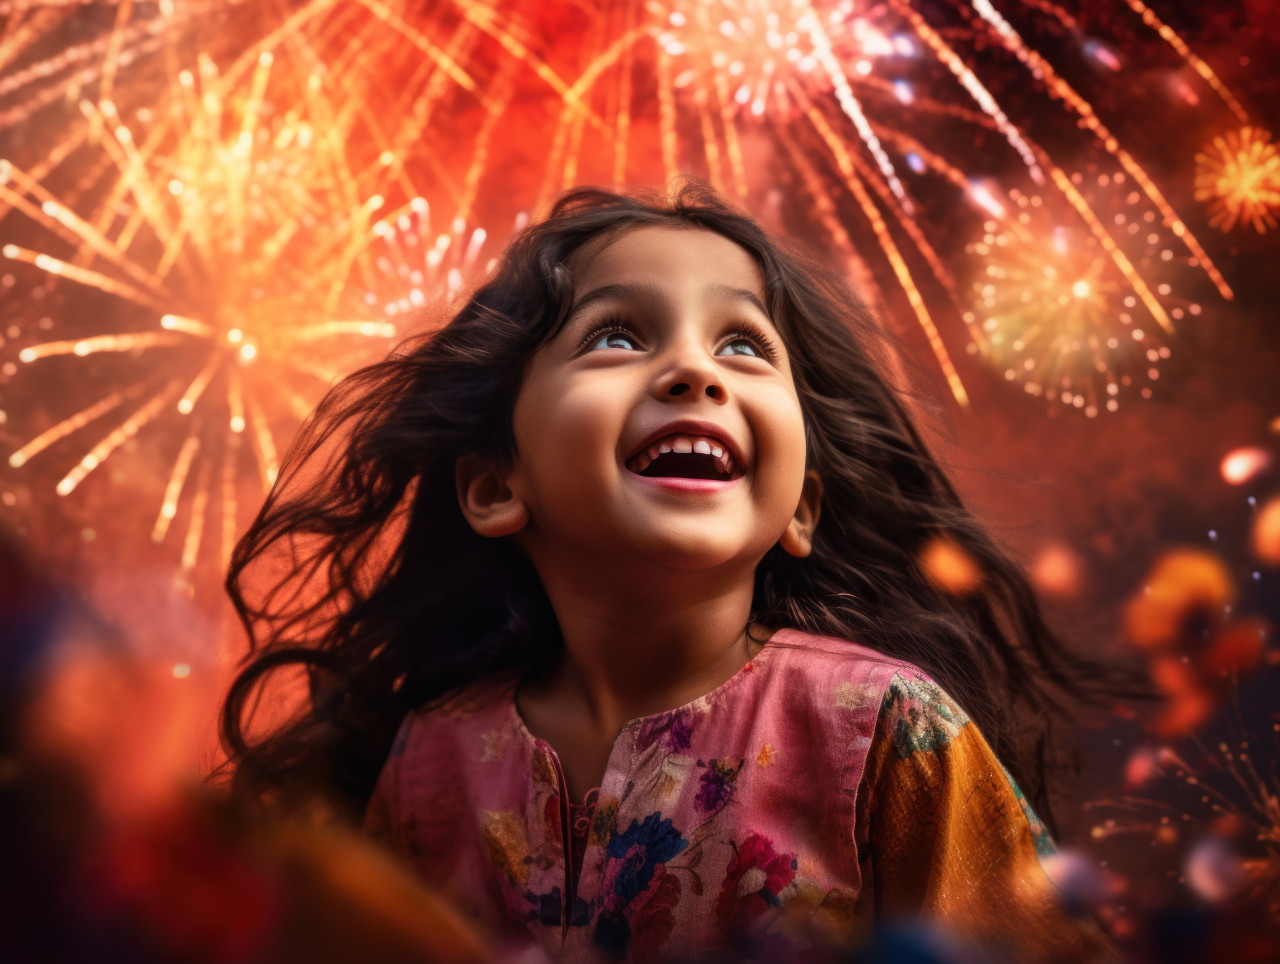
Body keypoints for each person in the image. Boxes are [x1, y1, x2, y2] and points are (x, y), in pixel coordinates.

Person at [219, 183, 1117, 963]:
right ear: (495, 486)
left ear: (802, 507)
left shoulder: (888, 730)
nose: (694, 370)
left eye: (745, 346)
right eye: (615, 336)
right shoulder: (429, 760)